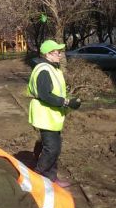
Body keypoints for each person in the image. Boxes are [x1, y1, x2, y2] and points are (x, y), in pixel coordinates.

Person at [27, 40, 81, 182]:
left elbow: (55, 91)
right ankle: (37, 177)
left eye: (60, 51)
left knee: (54, 148)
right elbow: (45, 94)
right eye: (57, 52)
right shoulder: (44, 70)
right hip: (45, 114)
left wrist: (67, 101)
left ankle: (51, 178)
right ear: (48, 54)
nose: (60, 54)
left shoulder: (53, 68)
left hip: (52, 115)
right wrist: (67, 102)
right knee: (52, 149)